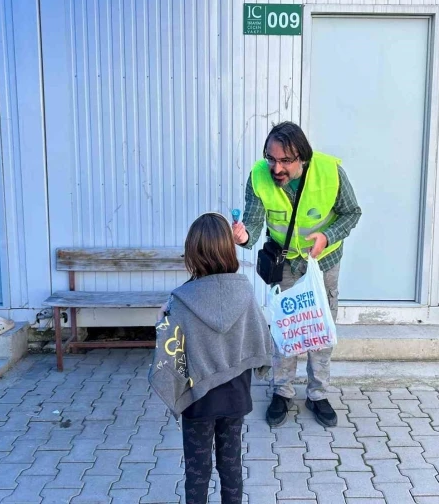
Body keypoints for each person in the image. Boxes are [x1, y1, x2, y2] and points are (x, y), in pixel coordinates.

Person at [232, 121, 361, 428]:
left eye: (285, 161)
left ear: (302, 157)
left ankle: (317, 394)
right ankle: (282, 392)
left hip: (323, 263)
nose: (276, 167)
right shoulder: (259, 176)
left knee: (319, 330)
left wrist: (327, 236)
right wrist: (243, 236)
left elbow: (352, 212)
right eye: (271, 158)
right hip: (285, 263)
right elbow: (253, 223)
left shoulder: (330, 172)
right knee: (284, 330)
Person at [148, 213, 273, 504]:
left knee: (197, 470)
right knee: (231, 467)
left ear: (193, 253)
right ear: (228, 250)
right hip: (235, 398)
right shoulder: (245, 292)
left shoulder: (179, 300)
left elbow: (169, 353)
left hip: (197, 399)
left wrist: (160, 319)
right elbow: (259, 336)